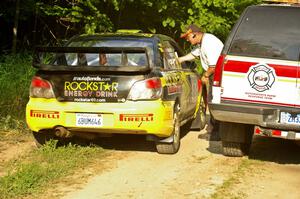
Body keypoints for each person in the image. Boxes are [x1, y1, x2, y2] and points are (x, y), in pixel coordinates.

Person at [178, 24, 223, 141]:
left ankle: (216, 132)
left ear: (194, 34)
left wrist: (205, 75)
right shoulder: (203, 42)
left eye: (188, 37)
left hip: (218, 75)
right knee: (212, 100)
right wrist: (180, 59)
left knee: (214, 101)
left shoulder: (209, 43)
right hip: (216, 74)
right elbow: (194, 54)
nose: (187, 40)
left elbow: (213, 66)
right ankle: (214, 130)